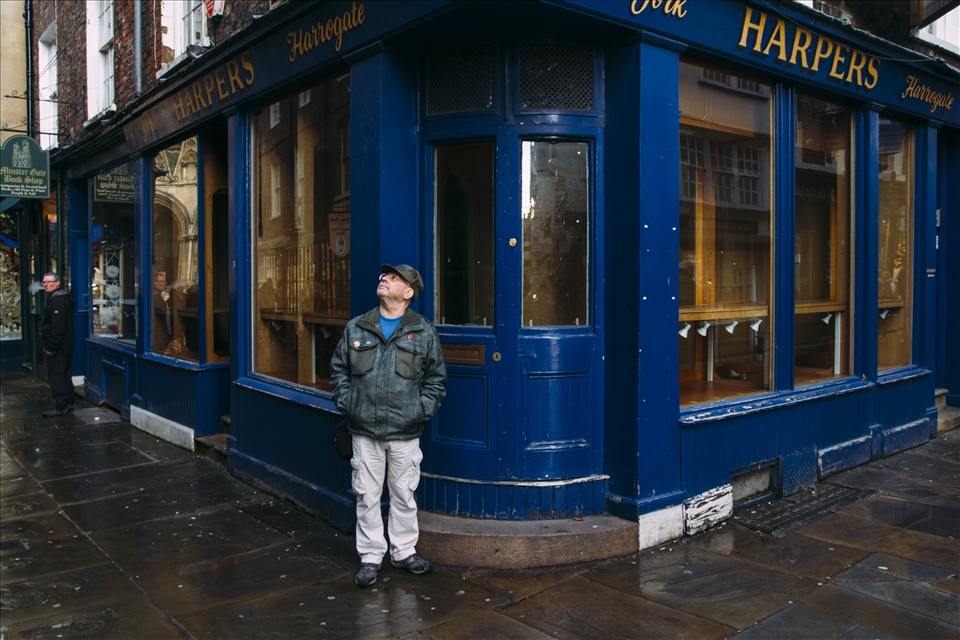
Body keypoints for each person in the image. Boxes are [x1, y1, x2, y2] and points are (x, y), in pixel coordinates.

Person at [330, 264, 447, 588]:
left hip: (405, 431)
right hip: (363, 430)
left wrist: (419, 410)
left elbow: (436, 379)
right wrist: (348, 402)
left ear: (408, 293)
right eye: (384, 276)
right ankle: (370, 556)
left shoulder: (423, 332)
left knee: (403, 494)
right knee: (366, 495)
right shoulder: (358, 327)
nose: (385, 279)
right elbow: (338, 371)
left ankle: (404, 551)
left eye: (394, 278)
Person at [40, 272, 77, 417]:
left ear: (57, 283)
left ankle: (61, 406)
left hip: (59, 348)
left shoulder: (58, 301)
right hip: (64, 346)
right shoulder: (58, 299)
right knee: (65, 375)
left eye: (49, 282)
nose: (46, 285)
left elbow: (57, 327)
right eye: (44, 282)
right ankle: (68, 402)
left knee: (57, 377)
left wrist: (51, 347)